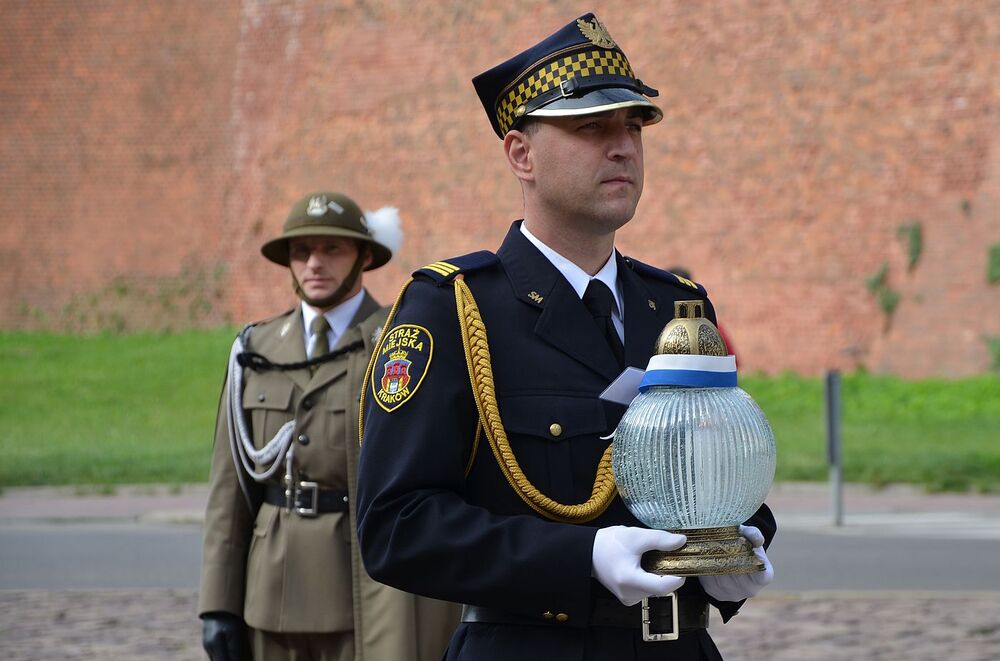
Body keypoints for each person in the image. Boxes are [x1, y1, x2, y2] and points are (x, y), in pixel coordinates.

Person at [356, 14, 775, 661]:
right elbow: (397, 525)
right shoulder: (456, 307)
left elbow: (716, 476)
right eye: (591, 128)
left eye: (633, 127)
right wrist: (582, 556)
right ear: (520, 153)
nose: (622, 146)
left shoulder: (676, 306)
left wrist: (738, 550)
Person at [198, 192, 459, 661]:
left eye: (332, 249)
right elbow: (229, 493)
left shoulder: (400, 343)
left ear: (363, 256)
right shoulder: (257, 350)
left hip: (361, 585)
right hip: (270, 591)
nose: (315, 263)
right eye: (302, 252)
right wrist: (218, 604)